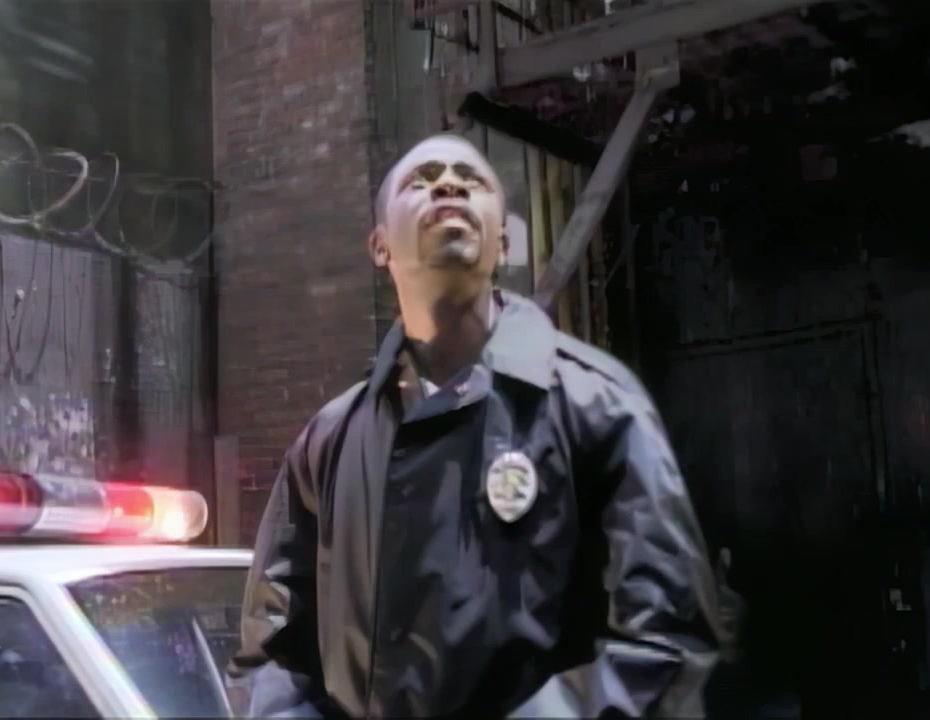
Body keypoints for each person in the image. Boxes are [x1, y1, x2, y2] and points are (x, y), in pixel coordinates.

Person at [227, 133, 724, 718]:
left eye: (472, 180)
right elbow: (271, 648)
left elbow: (664, 641)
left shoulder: (596, 404)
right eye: (422, 180)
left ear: (504, 239)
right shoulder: (330, 442)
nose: (449, 185)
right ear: (380, 245)